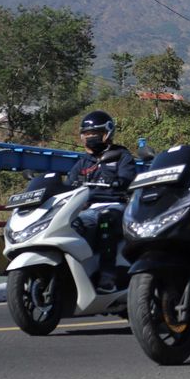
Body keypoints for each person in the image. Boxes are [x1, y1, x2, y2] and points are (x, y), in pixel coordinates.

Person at [66, 110, 136, 292]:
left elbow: (128, 178)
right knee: (70, 224)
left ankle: (108, 276)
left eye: (95, 134)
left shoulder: (121, 155)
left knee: (106, 221)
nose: (90, 138)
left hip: (115, 206)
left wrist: (118, 181)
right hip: (87, 210)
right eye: (87, 134)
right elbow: (68, 185)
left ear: (107, 133)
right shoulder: (83, 162)